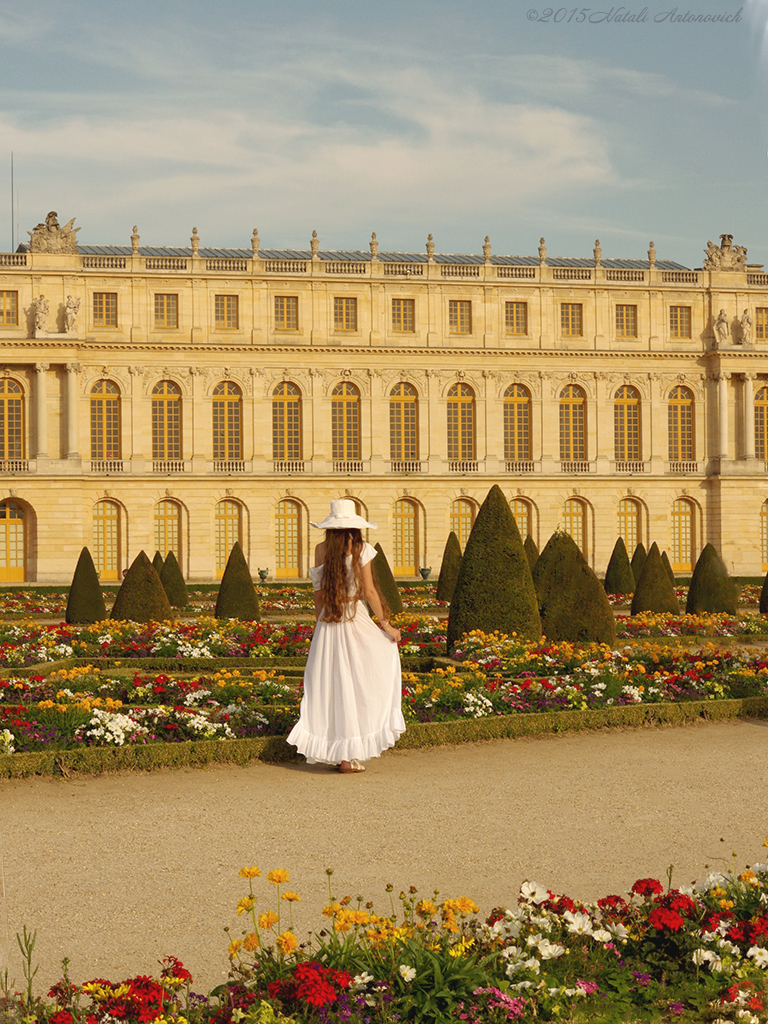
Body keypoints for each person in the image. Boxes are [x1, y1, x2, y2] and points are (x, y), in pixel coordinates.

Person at [286, 499, 405, 773]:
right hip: (354, 615)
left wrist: (321, 624)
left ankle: (341, 754)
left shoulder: (320, 550)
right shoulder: (361, 549)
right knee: (361, 682)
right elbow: (370, 592)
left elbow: (317, 594)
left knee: (332, 687)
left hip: (329, 620)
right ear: (353, 526)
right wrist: (386, 625)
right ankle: (349, 755)